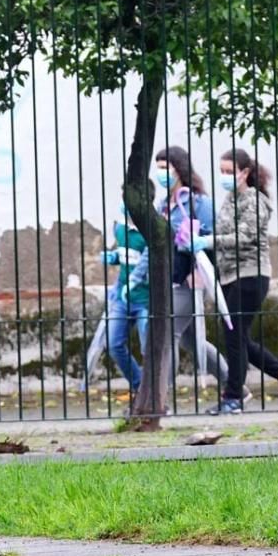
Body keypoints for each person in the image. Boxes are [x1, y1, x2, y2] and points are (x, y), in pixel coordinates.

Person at [182, 148, 278, 414]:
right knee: (238, 337)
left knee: (234, 336)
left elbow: (245, 236)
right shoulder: (229, 199)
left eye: (229, 172)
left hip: (250, 274)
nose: (224, 176)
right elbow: (221, 232)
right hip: (227, 275)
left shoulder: (254, 200)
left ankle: (234, 397)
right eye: (221, 172)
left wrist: (208, 240)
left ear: (245, 172)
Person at [146, 145, 234, 396]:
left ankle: (160, 396)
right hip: (171, 276)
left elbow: (212, 239)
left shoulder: (199, 202)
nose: (162, 174)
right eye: (159, 168)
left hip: (191, 279)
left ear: (179, 169)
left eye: (166, 168)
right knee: (189, 340)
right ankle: (234, 385)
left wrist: (202, 272)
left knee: (168, 333)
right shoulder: (164, 204)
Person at [100, 204, 149, 392]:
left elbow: (148, 262)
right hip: (124, 298)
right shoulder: (120, 229)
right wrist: (113, 257)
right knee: (113, 344)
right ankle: (140, 388)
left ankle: (152, 394)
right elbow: (126, 257)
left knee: (148, 350)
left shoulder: (148, 232)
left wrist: (135, 279)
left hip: (146, 299)